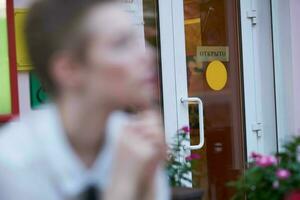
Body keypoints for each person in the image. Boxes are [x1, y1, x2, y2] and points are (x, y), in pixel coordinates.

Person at [0, 0, 170, 199]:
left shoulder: (134, 142)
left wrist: (147, 183)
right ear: (69, 69)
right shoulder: (14, 159)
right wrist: (123, 185)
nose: (148, 55)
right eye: (121, 44)